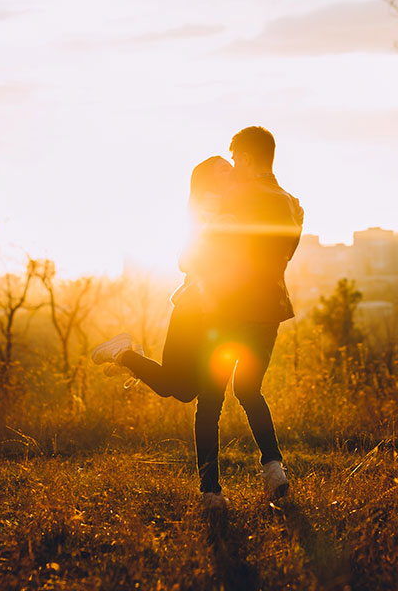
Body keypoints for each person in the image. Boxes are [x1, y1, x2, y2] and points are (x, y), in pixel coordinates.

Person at [92, 126, 303, 509]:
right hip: (269, 311)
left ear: (248, 157)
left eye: (235, 159)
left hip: (226, 310)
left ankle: (211, 491)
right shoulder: (293, 203)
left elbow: (192, 257)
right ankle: (274, 472)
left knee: (208, 399)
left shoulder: (235, 199)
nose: (234, 167)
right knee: (246, 390)